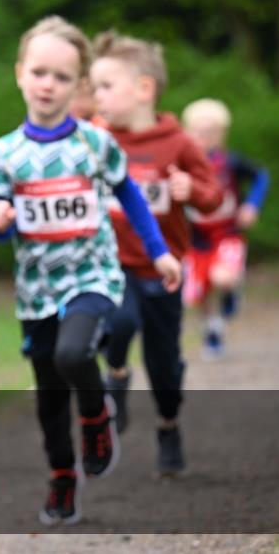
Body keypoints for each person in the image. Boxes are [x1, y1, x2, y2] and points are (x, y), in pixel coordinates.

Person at [0, 16, 180, 525]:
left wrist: (157, 251)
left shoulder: (95, 144)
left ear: (78, 86)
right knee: (49, 393)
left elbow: (130, 196)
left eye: (62, 77)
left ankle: (95, 414)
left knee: (73, 354)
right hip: (37, 288)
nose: (48, 85)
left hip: (92, 275)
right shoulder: (6, 153)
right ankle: (62, 475)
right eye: (39, 72)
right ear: (19, 74)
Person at [91, 31, 223, 475]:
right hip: (112, 263)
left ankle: (168, 424)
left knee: (163, 363)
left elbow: (213, 195)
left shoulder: (179, 143)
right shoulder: (96, 138)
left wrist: (193, 190)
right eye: (94, 86)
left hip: (163, 269)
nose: (96, 95)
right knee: (120, 321)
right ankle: (116, 375)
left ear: (144, 88)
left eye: (106, 86)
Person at [180, 98, 269, 359]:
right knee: (196, 294)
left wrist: (252, 205)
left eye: (210, 132)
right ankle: (213, 331)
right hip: (196, 238)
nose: (203, 138)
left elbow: (261, 176)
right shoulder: (183, 165)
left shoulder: (230, 162)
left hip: (227, 234)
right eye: (198, 132)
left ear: (221, 134)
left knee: (223, 277)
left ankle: (231, 291)